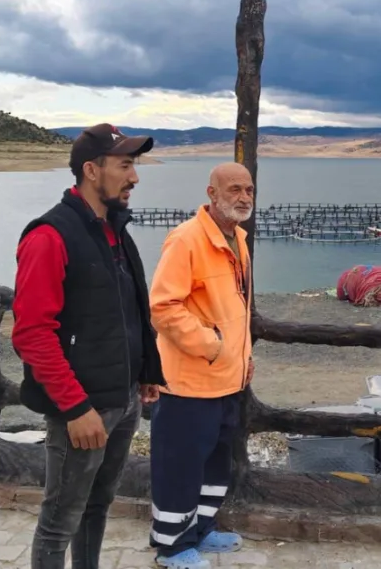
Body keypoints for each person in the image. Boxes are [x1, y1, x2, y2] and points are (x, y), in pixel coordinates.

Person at [12, 123, 167, 569]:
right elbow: (32, 333)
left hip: (122, 401)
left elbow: (130, 309)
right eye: (125, 165)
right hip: (83, 409)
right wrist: (76, 408)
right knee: (60, 520)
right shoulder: (49, 236)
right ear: (91, 170)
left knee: (97, 507)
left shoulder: (115, 231)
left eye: (133, 164)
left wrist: (146, 372)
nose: (134, 177)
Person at [147, 162, 256, 569]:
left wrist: (242, 357)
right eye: (233, 190)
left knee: (213, 461)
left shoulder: (237, 239)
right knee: (179, 465)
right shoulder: (187, 239)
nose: (243, 197)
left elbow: (234, 308)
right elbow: (163, 307)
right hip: (189, 380)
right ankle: (171, 547)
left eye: (248, 190)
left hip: (227, 380)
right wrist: (212, 346)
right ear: (212, 194)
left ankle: (202, 530)